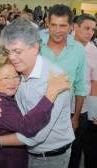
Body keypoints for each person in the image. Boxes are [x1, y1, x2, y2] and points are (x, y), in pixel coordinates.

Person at [0, 19, 75, 168]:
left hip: (49, 157)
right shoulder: (17, 69)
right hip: (24, 154)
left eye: (17, 51)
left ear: (34, 48)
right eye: (8, 52)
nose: (12, 57)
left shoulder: (55, 81)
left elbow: (35, 135)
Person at [39, 5, 87, 167]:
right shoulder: (36, 45)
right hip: (35, 113)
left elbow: (80, 86)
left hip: (64, 117)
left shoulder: (79, 50)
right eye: (53, 25)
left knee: (61, 157)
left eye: (63, 25)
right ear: (47, 24)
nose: (57, 30)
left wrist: (76, 117)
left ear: (71, 27)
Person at [73, 13, 97, 168]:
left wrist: (94, 114)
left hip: (86, 110)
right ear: (75, 27)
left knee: (90, 151)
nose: (90, 33)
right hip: (64, 108)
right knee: (72, 152)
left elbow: (95, 83)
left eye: (93, 29)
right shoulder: (65, 46)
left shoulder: (94, 51)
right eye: (86, 28)